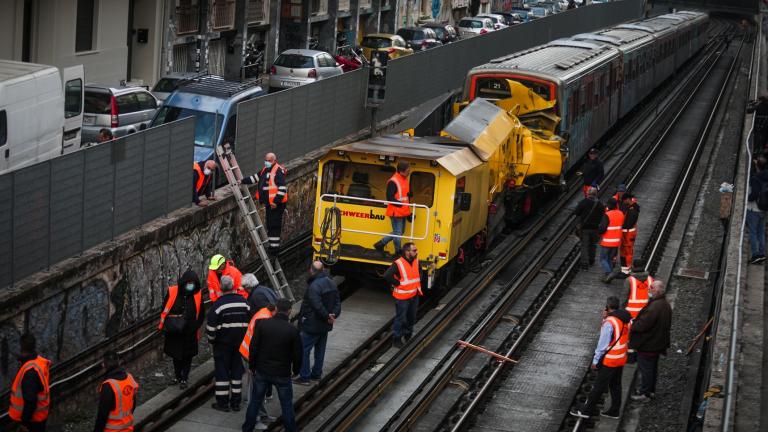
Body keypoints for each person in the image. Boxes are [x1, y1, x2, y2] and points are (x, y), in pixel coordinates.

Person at [242, 299, 302, 432]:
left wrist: (252, 366)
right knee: (286, 405)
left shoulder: (262, 324)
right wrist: (296, 371)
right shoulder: (292, 330)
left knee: (255, 402)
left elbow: (253, 347)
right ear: (289, 311)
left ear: (276, 308)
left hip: (262, 372)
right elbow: (298, 355)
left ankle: (247, 428)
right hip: (282, 374)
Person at [570, 296, 631, 419]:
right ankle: (614, 411)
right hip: (621, 357)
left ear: (607, 307)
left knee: (599, 385)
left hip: (610, 359)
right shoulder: (626, 319)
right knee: (615, 385)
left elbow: (602, 345)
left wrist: (596, 361)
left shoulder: (610, 322)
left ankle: (585, 411)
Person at [207, 276, 252, 412]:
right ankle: (236, 403)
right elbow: (252, 323)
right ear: (234, 286)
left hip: (222, 345)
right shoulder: (244, 303)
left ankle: (223, 403)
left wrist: (212, 341)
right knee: (237, 374)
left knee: (222, 374)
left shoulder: (218, 305)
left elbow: (210, 329)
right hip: (240, 345)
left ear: (221, 288)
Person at [296, 261, 341, 385]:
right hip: (325, 324)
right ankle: (316, 374)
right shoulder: (331, 283)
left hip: (312, 324)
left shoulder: (314, 286)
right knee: (320, 350)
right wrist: (333, 315)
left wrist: (327, 315)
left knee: (304, 349)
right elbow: (337, 302)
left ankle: (304, 377)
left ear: (311, 270)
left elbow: (317, 305)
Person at [158, 269, 205, 389]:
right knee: (176, 355)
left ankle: (184, 377)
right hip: (175, 331)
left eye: (193, 283)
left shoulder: (197, 294)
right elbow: (165, 308)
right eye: (189, 283)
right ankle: (177, 375)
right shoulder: (173, 291)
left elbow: (201, 314)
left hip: (190, 332)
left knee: (187, 356)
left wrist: (195, 326)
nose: (191, 285)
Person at [629, 280, 672, 403]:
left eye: (652, 288)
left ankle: (645, 394)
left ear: (658, 291)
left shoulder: (654, 307)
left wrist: (633, 324)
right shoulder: (664, 304)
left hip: (649, 345)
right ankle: (650, 391)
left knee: (646, 369)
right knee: (652, 368)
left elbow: (642, 325)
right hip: (657, 343)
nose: (650, 290)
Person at [242, 152, 288, 257]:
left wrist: (275, 202)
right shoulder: (265, 170)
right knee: (270, 225)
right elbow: (255, 178)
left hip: (276, 205)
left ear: (274, 161)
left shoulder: (278, 171)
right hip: (270, 204)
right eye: (266, 160)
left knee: (274, 226)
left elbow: (282, 188)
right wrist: (242, 181)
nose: (266, 162)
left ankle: (274, 251)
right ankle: (273, 248)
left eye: (269, 160)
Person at [383, 242, 423, 348]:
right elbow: (387, 275)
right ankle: (397, 339)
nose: (416, 252)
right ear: (407, 252)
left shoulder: (416, 261)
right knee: (400, 318)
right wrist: (397, 283)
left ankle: (408, 335)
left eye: (416, 250)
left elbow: (420, 273)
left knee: (411, 317)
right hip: (402, 298)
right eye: (414, 250)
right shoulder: (398, 263)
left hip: (414, 295)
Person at [8, 333, 50, 432]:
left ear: (21, 347)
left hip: (32, 423)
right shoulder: (39, 362)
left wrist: (24, 424)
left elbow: (31, 402)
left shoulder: (30, 373)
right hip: (40, 418)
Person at [373, 161, 413, 256]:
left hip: (403, 211)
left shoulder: (404, 179)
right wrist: (401, 205)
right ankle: (398, 252)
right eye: (408, 170)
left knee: (399, 232)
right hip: (396, 212)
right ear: (401, 171)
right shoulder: (393, 181)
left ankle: (380, 244)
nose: (409, 172)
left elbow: (404, 197)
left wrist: (407, 212)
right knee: (398, 233)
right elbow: (390, 197)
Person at [94, 350, 138, 432]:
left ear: (104, 365)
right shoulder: (130, 378)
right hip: (128, 428)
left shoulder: (108, 385)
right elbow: (134, 404)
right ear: (118, 362)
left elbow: (102, 415)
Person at [573, 186, 604, 270]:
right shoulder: (600, 204)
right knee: (593, 244)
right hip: (595, 228)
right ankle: (591, 260)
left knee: (584, 245)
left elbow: (576, 212)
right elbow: (603, 215)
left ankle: (584, 264)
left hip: (585, 228)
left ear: (588, 193)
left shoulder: (584, 202)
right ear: (596, 194)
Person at [746, 155, 768, 264]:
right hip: (764, 209)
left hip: (754, 209)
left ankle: (755, 255)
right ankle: (762, 253)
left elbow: (754, 194)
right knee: (761, 232)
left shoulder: (755, 178)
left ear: (757, 165)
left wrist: (747, 198)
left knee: (753, 232)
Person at [599, 198, 625, 283]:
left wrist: (598, 230)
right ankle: (608, 278)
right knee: (610, 259)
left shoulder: (607, 215)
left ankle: (609, 273)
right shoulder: (621, 213)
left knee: (603, 259)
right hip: (616, 242)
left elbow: (602, 229)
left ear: (609, 205)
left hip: (607, 241)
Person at [619, 193, 640, 276]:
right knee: (623, 251)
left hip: (628, 234)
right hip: (626, 234)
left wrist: (620, 225)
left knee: (627, 252)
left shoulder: (632, 210)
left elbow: (629, 223)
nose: (623, 202)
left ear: (627, 199)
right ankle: (624, 270)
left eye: (624, 200)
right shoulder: (632, 208)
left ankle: (627, 271)